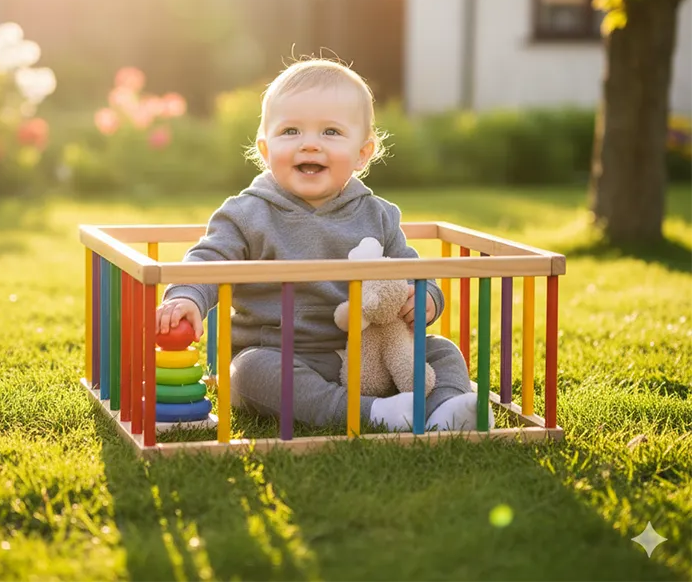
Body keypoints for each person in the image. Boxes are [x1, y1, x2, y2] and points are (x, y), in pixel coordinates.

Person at [157, 59, 493, 432]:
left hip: (368, 353)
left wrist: (425, 297)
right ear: (266, 150)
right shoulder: (246, 213)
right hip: (282, 354)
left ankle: (447, 408)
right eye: (290, 131)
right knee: (249, 371)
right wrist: (188, 296)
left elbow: (410, 271)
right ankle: (372, 413)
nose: (310, 144)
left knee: (441, 350)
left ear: (362, 153)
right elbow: (209, 258)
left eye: (331, 131)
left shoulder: (379, 215)